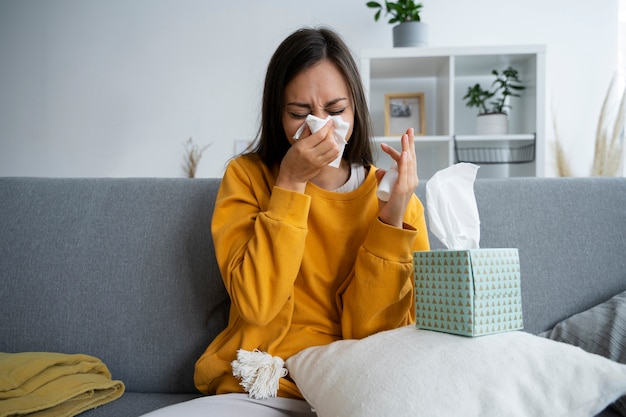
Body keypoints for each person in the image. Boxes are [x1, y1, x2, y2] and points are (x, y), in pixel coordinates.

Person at [141, 26, 429, 417]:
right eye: (299, 114)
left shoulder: (396, 200)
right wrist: (290, 184)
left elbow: (373, 338)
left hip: (351, 385)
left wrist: (391, 222)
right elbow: (257, 306)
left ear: (357, 109)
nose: (320, 126)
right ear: (277, 113)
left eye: (336, 110)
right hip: (261, 380)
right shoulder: (247, 178)